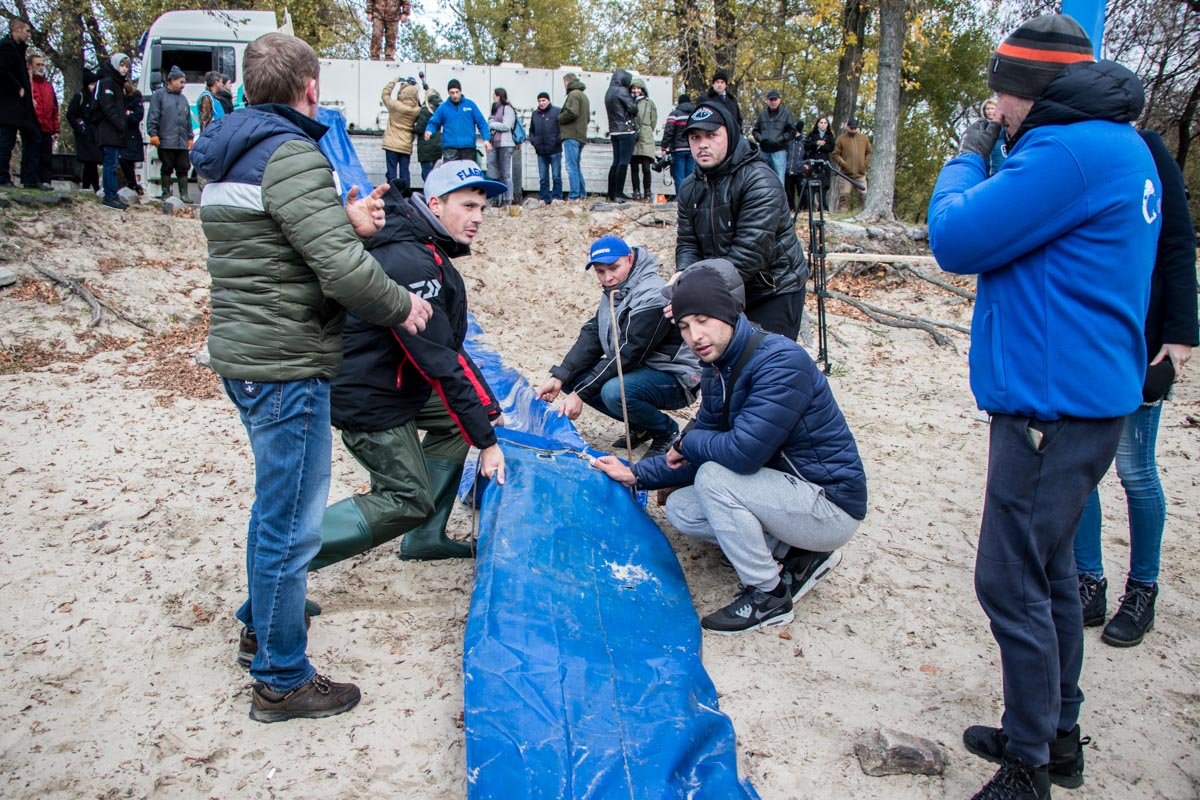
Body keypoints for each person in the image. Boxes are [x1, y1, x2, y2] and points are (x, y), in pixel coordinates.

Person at [927, 14, 1161, 800]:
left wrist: (964, 158)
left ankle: (1028, 765)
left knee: (1009, 580)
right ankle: (1056, 733)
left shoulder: (1068, 150)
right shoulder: (1121, 143)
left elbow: (956, 238)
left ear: (1032, 89)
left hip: (1049, 410)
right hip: (1082, 401)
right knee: (1052, 571)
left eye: (1000, 94)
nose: (994, 110)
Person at [191, 31, 433, 724]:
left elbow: (278, 245)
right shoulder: (290, 153)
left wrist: (345, 220)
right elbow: (338, 271)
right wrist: (403, 304)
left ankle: (261, 628)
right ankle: (281, 678)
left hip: (247, 354)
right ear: (312, 89)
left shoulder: (229, 154)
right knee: (290, 525)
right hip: (286, 363)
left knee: (275, 512)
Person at [591, 265, 866, 634]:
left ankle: (768, 595)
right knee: (683, 508)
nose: (695, 336)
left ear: (730, 314)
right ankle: (798, 554)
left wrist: (689, 442)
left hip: (829, 504)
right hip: (784, 491)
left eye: (703, 320)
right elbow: (704, 444)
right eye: (685, 326)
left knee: (714, 479)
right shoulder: (718, 366)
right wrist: (638, 474)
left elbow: (740, 453)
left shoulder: (781, 362)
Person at [314, 160, 508, 568]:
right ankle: (289, 557)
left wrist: (486, 412)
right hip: (369, 395)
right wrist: (487, 443)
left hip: (395, 382)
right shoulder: (409, 259)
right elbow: (439, 359)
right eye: (468, 206)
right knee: (407, 498)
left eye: (482, 209)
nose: (477, 219)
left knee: (462, 424)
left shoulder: (422, 246)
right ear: (435, 203)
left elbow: (447, 344)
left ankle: (425, 537)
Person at [1074, 129, 1197, 648]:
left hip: (1144, 337)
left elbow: (1177, 243)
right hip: (1091, 336)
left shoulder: (1146, 148)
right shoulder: (1071, 147)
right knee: (1081, 468)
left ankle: (1142, 589)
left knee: (1135, 468)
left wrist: (1182, 332)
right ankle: (1088, 581)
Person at [537, 236, 701, 458]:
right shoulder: (616, 290)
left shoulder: (653, 293)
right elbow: (593, 335)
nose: (608, 278)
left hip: (674, 377)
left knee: (613, 391)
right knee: (572, 378)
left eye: (614, 268)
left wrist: (581, 395)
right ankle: (642, 426)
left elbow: (629, 352)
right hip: (641, 370)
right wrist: (560, 376)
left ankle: (666, 431)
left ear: (630, 260)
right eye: (600, 271)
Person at [675, 100, 807, 340]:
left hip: (772, 288)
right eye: (695, 137)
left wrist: (699, 293)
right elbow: (687, 242)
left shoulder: (759, 180)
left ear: (730, 134)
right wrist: (683, 277)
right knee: (722, 367)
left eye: (712, 135)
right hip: (723, 287)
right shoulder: (688, 187)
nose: (702, 144)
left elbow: (749, 253)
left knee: (768, 367)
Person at [0, 18, 38, 189]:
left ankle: (30, 178)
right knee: (6, 141)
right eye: (27, 31)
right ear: (16, 29)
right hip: (9, 105)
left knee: (34, 137)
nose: (29, 34)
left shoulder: (19, 49)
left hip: (22, 106)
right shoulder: (6, 46)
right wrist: (18, 88)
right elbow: (2, 70)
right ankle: (2, 177)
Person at [147, 65, 193, 201]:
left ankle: (184, 195)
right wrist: (153, 134)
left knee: (183, 168)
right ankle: (166, 193)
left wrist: (190, 137)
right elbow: (153, 116)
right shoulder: (159, 96)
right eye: (181, 82)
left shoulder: (184, 99)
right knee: (167, 167)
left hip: (182, 142)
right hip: (166, 140)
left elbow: (188, 120)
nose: (183, 85)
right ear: (172, 80)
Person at [424, 79, 490, 165]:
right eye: (452, 92)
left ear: (460, 91)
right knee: (451, 176)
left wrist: (486, 139)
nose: (455, 95)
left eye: (457, 92)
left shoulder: (470, 105)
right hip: (450, 148)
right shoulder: (443, 107)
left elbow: (482, 123)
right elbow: (434, 122)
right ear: (448, 93)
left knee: (468, 176)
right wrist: (429, 130)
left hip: (468, 148)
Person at [94, 53, 131, 210]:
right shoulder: (108, 83)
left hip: (115, 131)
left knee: (113, 163)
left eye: (126, 66)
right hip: (109, 130)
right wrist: (120, 123)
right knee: (110, 163)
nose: (124, 69)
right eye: (122, 65)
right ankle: (109, 195)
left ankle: (112, 194)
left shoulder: (118, 84)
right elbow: (107, 107)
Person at [381, 75, 420, 190]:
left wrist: (393, 81)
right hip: (406, 144)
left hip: (392, 143)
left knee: (391, 171)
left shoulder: (395, 106)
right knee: (404, 171)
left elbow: (385, 95)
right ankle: (406, 193)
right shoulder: (416, 110)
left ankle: (392, 193)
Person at [604, 69, 637, 202]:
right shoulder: (622, 91)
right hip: (625, 129)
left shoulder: (609, 92)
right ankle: (618, 193)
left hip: (614, 130)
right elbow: (633, 108)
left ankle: (611, 193)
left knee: (616, 162)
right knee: (624, 162)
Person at [752, 89, 796, 186]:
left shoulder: (786, 114)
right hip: (764, 151)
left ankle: (780, 201)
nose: (773, 102)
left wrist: (780, 140)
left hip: (779, 151)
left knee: (779, 179)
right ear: (767, 101)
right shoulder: (762, 114)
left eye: (775, 99)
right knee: (763, 178)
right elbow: (755, 130)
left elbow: (792, 131)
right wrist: (761, 139)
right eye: (770, 100)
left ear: (779, 100)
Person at [67, 68, 101, 191]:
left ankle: (87, 186)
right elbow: (70, 114)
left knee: (91, 162)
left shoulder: (95, 98)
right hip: (83, 134)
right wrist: (79, 127)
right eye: (92, 84)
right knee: (89, 160)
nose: (94, 87)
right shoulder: (79, 97)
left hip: (93, 134)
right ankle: (94, 187)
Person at [28, 50, 57, 188]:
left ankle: (46, 180)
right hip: (33, 124)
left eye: (42, 65)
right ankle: (32, 181)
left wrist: (56, 128)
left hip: (47, 126)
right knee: (33, 154)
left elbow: (54, 108)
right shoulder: (29, 84)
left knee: (46, 156)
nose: (40, 67)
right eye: (37, 64)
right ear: (31, 66)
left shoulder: (49, 87)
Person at [557, 72, 589, 200]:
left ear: (566, 82)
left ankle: (574, 196)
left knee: (571, 167)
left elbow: (572, 112)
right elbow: (587, 118)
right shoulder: (584, 96)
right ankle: (581, 194)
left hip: (571, 135)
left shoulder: (573, 94)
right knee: (576, 166)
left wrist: (559, 118)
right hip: (581, 135)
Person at [831, 117, 870, 213]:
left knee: (863, 195)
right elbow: (835, 154)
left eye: (855, 127)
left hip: (860, 174)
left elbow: (869, 152)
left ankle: (861, 213)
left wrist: (864, 164)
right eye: (851, 127)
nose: (853, 129)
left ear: (857, 127)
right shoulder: (841, 139)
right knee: (844, 195)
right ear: (847, 127)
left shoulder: (864, 138)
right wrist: (844, 164)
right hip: (845, 175)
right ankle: (841, 215)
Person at [529, 91, 562, 205]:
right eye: (539, 100)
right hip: (541, 151)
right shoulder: (535, 114)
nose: (541, 103)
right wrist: (534, 142)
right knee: (543, 178)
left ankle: (557, 197)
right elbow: (531, 131)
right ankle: (544, 198)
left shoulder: (557, 111)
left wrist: (557, 141)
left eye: (544, 100)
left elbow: (562, 129)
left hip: (554, 150)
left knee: (556, 176)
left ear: (548, 100)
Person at [485, 87, 515, 206]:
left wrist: (492, 124)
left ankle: (508, 199)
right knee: (498, 174)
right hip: (496, 144)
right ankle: (501, 199)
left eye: (494, 95)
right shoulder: (496, 109)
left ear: (498, 96)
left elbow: (507, 126)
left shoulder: (507, 109)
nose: (493, 97)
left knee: (506, 173)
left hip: (506, 144)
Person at [660, 92, 695, 192]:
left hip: (678, 150)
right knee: (690, 177)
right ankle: (689, 200)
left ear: (679, 103)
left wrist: (664, 147)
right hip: (692, 149)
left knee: (679, 176)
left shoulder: (675, 114)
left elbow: (668, 131)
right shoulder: (694, 115)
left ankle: (680, 200)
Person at [629, 78, 657, 202]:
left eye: (638, 88)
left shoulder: (649, 103)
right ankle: (636, 192)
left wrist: (646, 130)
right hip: (632, 137)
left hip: (646, 137)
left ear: (642, 89)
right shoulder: (628, 102)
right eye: (634, 88)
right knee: (634, 168)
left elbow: (653, 121)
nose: (636, 91)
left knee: (646, 168)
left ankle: (647, 192)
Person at [798, 116, 833, 210]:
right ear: (817, 124)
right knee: (811, 185)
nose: (823, 124)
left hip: (824, 163)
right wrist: (816, 143)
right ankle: (810, 208)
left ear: (827, 125)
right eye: (821, 122)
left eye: (825, 123)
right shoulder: (812, 134)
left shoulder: (830, 135)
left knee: (824, 185)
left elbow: (831, 147)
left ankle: (823, 207)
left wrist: (823, 145)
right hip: (813, 162)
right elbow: (806, 146)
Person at [119, 79, 144, 195]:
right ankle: (132, 184)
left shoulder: (136, 100)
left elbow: (137, 116)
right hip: (122, 135)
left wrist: (125, 117)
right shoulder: (119, 100)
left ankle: (132, 184)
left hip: (132, 135)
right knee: (123, 160)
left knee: (128, 161)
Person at [413, 89, 442, 183]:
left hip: (426, 147)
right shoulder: (439, 110)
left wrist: (412, 128)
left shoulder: (425, 111)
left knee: (426, 173)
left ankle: (429, 193)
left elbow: (419, 129)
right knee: (435, 173)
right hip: (437, 145)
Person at [981, 99, 1006, 175]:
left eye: (992, 108)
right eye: (987, 109)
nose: (990, 111)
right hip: (991, 167)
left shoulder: (1006, 125)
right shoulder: (982, 125)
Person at [197, 71, 226, 136]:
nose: (222, 84)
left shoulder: (213, 97)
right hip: (212, 138)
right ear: (216, 83)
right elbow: (205, 123)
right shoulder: (207, 97)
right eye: (221, 82)